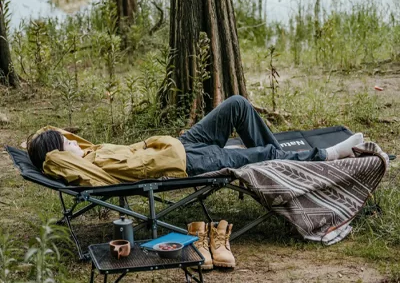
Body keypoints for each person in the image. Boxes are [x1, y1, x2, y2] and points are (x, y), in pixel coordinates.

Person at [27, 95, 363, 186]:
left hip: (183, 143)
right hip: (190, 162)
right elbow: (57, 160)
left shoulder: (88, 153)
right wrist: (52, 155)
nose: (75, 142)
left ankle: (278, 167)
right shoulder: (87, 169)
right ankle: (325, 156)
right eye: (67, 144)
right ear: (60, 156)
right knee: (259, 155)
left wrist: (50, 140)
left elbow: (61, 141)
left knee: (237, 105)